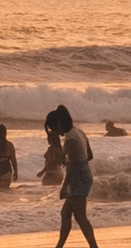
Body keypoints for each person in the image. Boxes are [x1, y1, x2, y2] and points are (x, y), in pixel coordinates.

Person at [45, 105, 98, 248]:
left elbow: (73, 165)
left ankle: (94, 246)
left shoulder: (70, 138)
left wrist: (64, 187)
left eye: (54, 129)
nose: (56, 133)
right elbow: (89, 155)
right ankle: (59, 246)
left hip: (78, 179)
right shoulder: (79, 132)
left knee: (80, 217)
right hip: (84, 175)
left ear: (59, 124)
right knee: (65, 212)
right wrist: (72, 159)